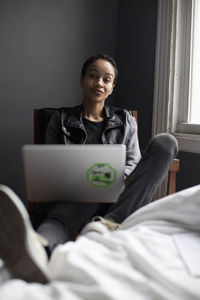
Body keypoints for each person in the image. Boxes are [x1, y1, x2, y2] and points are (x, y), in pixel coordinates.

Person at [0, 54, 178, 284]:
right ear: (82, 80)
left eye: (106, 79)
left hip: (120, 198)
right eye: (93, 76)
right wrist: (91, 182)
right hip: (74, 199)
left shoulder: (126, 121)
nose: (99, 83)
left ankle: (107, 223)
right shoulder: (60, 119)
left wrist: (106, 180)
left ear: (112, 87)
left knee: (166, 143)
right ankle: (38, 249)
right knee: (70, 207)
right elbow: (51, 166)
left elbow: (133, 165)